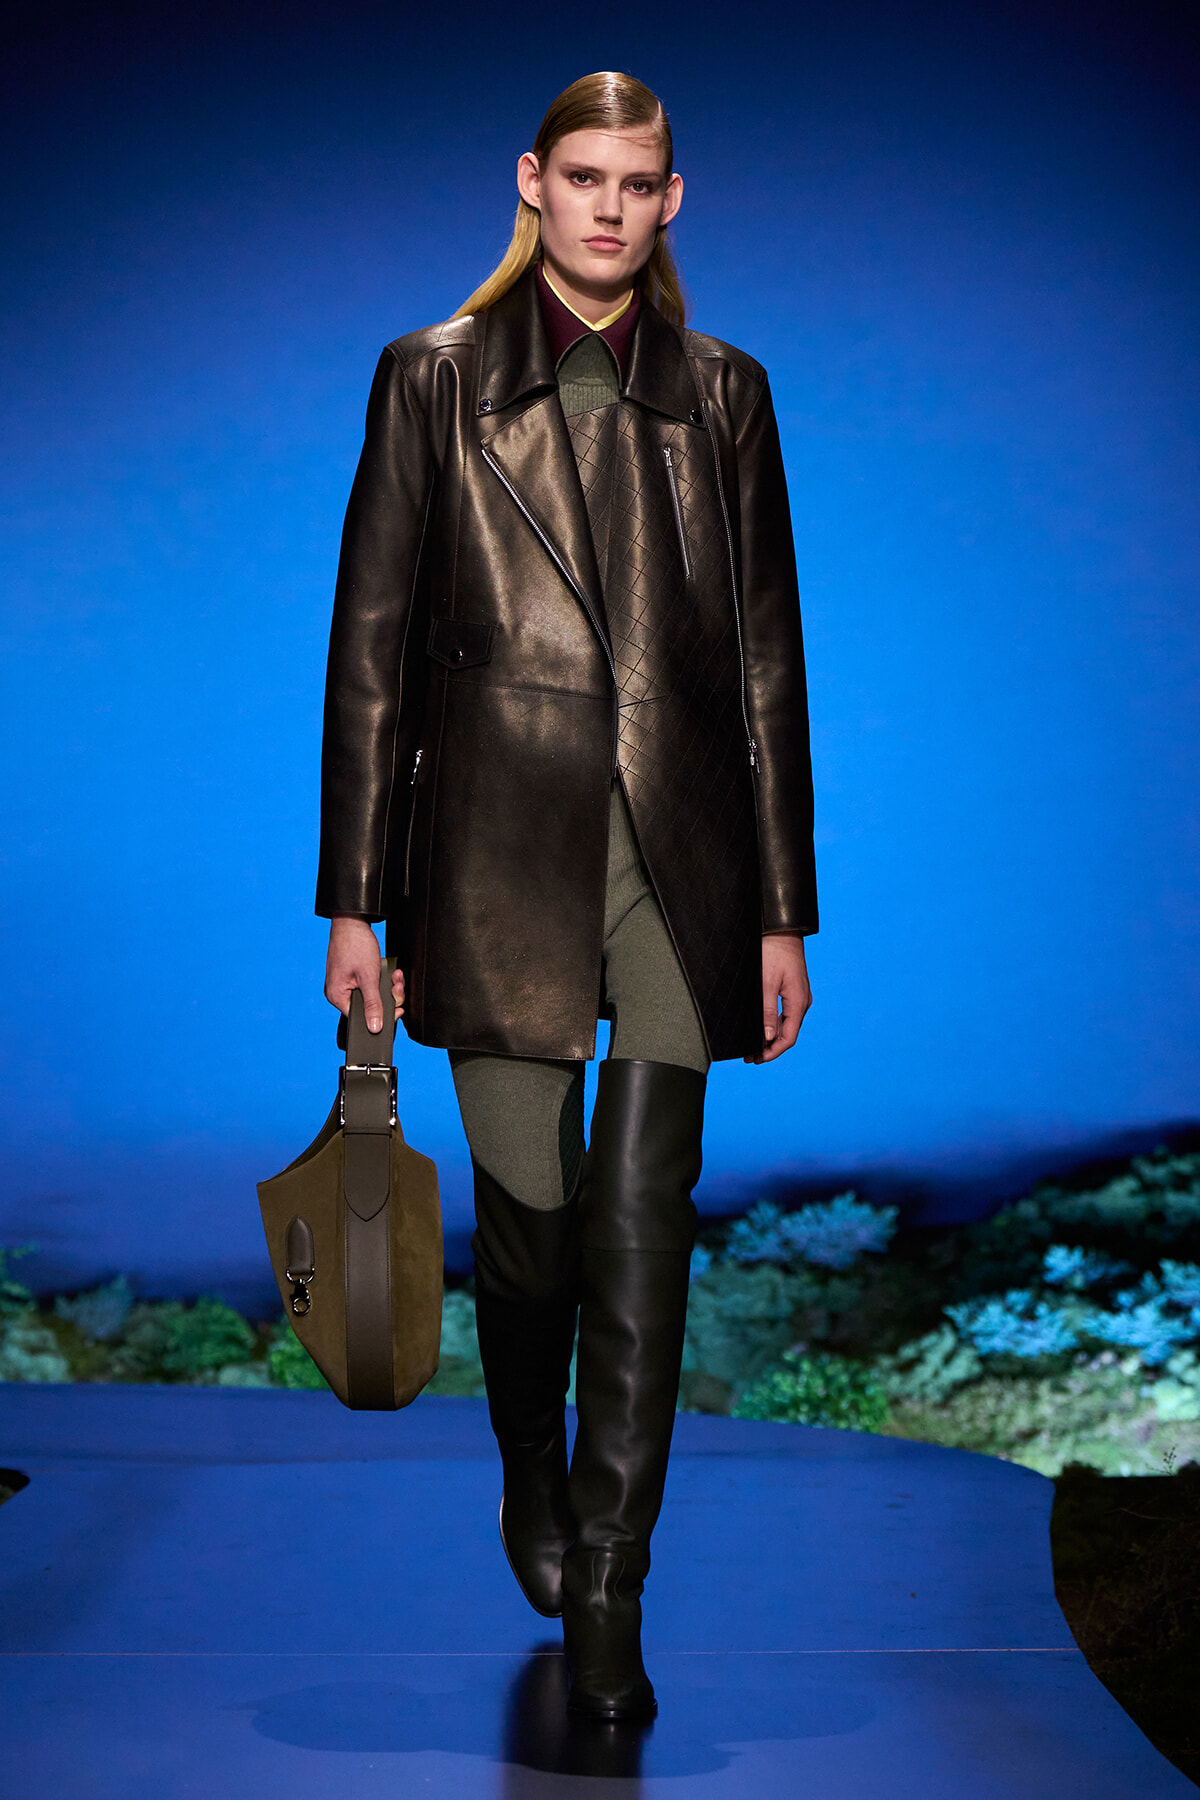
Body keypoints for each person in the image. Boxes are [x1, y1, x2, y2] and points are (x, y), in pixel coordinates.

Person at [317, 70, 816, 1723]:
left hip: (681, 858)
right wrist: (354, 905)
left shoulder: (727, 393)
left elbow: (765, 666)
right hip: (490, 854)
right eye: (583, 175)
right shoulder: (432, 377)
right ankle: (529, 1462)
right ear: (532, 181)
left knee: (645, 1217)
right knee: (529, 1234)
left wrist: (781, 912)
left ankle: (612, 1585)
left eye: (637, 181)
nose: (609, 206)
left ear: (674, 199)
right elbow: (371, 654)